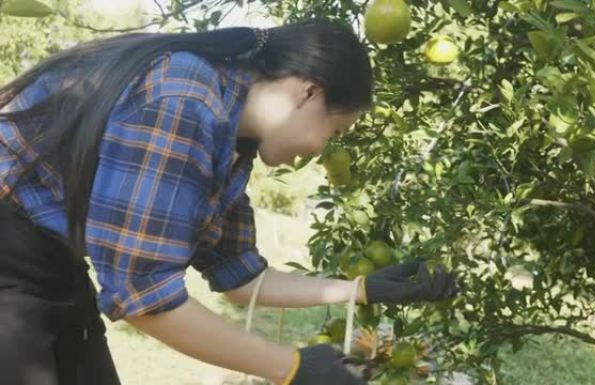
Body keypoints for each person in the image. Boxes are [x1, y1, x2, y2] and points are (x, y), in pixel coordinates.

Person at [0, 21, 459, 385]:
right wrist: (291, 367)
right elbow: (142, 296)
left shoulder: (230, 140)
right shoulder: (185, 96)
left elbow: (240, 277)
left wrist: (361, 290)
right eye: (335, 131)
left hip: (49, 267)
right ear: (309, 91)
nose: (323, 149)